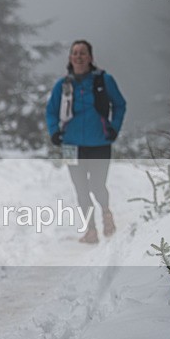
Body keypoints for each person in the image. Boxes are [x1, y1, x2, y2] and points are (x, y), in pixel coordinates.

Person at [46, 40, 127, 244]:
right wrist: (54, 131)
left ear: (90, 57)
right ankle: (90, 230)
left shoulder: (104, 80)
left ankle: (106, 213)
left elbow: (119, 104)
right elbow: (51, 110)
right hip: (71, 146)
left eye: (82, 53)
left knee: (97, 185)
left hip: (100, 142)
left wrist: (114, 128)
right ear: (70, 58)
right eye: (75, 53)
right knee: (81, 189)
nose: (78, 57)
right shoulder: (63, 85)